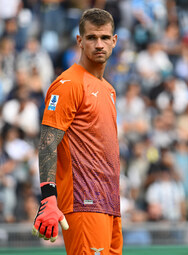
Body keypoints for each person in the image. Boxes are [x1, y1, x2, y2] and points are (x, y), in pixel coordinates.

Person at [31, 8, 122, 255]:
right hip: (84, 202)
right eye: (92, 38)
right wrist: (48, 197)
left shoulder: (109, 90)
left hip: (109, 203)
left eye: (105, 37)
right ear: (79, 41)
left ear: (114, 41)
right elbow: (48, 143)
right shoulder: (68, 83)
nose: (99, 44)